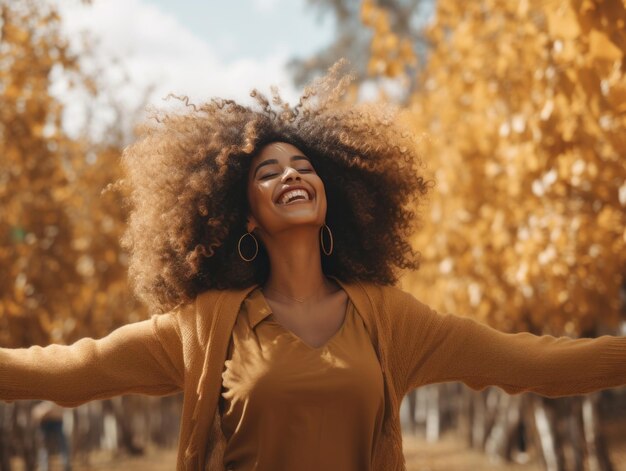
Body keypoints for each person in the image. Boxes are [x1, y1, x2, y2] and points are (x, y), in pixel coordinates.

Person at [1, 61, 625, 471]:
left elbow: (534, 363)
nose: (291, 175)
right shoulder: (203, 329)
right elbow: (72, 371)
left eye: (303, 167)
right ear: (244, 217)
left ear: (333, 197)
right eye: (267, 173)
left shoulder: (389, 319)